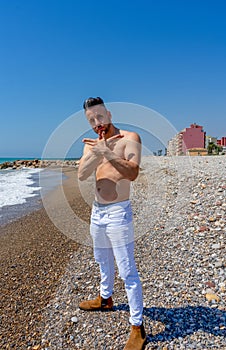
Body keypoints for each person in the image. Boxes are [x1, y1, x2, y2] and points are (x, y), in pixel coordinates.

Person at [78, 97, 146, 350]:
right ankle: (105, 298)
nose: (97, 123)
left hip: (119, 212)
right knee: (101, 258)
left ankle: (137, 326)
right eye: (91, 120)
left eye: (100, 117)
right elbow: (82, 174)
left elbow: (133, 173)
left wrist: (107, 152)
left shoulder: (131, 138)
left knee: (127, 269)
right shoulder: (92, 145)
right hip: (97, 212)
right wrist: (96, 153)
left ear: (108, 113)